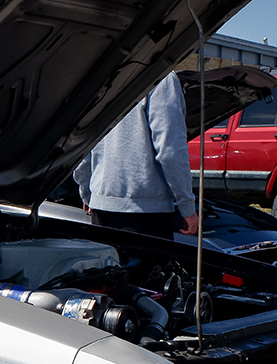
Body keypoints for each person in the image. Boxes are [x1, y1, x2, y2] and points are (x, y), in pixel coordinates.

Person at [73, 71, 198, 239]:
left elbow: (82, 144)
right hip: (147, 213)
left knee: (107, 264)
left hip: (101, 208)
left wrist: (88, 194)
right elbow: (170, 151)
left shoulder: (101, 76)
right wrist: (187, 207)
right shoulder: (162, 78)